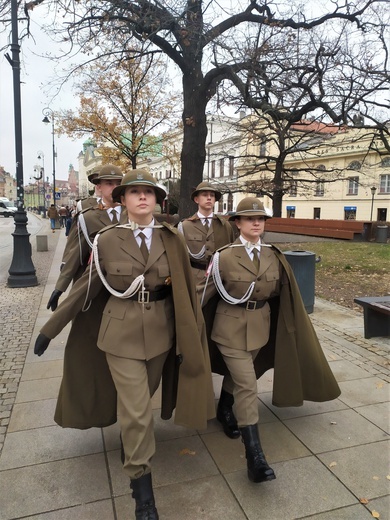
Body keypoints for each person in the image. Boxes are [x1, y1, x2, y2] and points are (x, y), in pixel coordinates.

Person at [34, 169, 215, 520]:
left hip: (161, 332)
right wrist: (51, 328)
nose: (143, 197)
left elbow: (183, 286)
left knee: (141, 400)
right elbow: (87, 285)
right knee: (136, 410)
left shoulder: (171, 238)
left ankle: (133, 442)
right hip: (119, 334)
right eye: (135, 193)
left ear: (158, 200)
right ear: (124, 200)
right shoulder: (106, 239)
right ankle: (142, 487)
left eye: (149, 192)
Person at [198, 197, 340, 484]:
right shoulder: (224, 256)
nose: (256, 223)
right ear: (237, 223)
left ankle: (224, 408)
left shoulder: (274, 256)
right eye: (249, 219)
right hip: (230, 329)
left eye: (260, 219)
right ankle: (255, 457)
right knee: (248, 385)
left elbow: (282, 297)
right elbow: (202, 296)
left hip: (260, 328)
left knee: (240, 376)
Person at [178, 182, 240, 440]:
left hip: (221, 284)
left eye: (212, 195)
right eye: (204, 194)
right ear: (196, 199)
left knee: (227, 340)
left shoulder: (224, 226)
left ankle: (226, 406)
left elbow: (233, 253)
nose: (209, 198)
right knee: (189, 332)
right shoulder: (184, 226)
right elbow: (177, 258)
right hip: (194, 281)